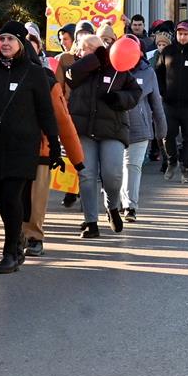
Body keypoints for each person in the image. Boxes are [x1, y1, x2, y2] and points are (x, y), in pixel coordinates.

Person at [0, 22, 58, 273]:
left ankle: (9, 252)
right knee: (1, 196)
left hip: (23, 146)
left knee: (11, 195)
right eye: (2, 39)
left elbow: (46, 112)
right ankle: (17, 239)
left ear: (21, 43)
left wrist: (53, 144)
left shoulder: (35, 73)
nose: (5, 43)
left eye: (11, 39)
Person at [66, 35, 141, 237]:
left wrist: (118, 98)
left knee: (112, 174)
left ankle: (112, 206)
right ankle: (91, 222)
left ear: (93, 48)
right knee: (86, 175)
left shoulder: (117, 67)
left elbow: (135, 92)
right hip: (84, 129)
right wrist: (93, 59)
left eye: (83, 49)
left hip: (112, 130)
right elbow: (70, 77)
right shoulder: (79, 68)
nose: (79, 52)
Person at [21, 43, 83, 256]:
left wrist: (76, 158)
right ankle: (17, 235)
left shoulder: (46, 80)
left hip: (41, 148)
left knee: (36, 197)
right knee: (13, 197)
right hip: (10, 148)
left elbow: (63, 120)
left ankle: (33, 236)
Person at [154, 21, 188, 184]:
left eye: (186, 34)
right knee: (167, 135)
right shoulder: (168, 51)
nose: (182, 37)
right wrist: (163, 92)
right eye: (180, 34)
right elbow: (158, 73)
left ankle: (186, 168)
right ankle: (172, 161)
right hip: (169, 103)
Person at [121, 39, 166, 222]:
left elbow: (156, 102)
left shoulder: (148, 72)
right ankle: (115, 203)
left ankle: (130, 206)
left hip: (139, 128)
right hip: (114, 126)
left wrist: (161, 130)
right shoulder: (112, 69)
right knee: (115, 169)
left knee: (132, 166)